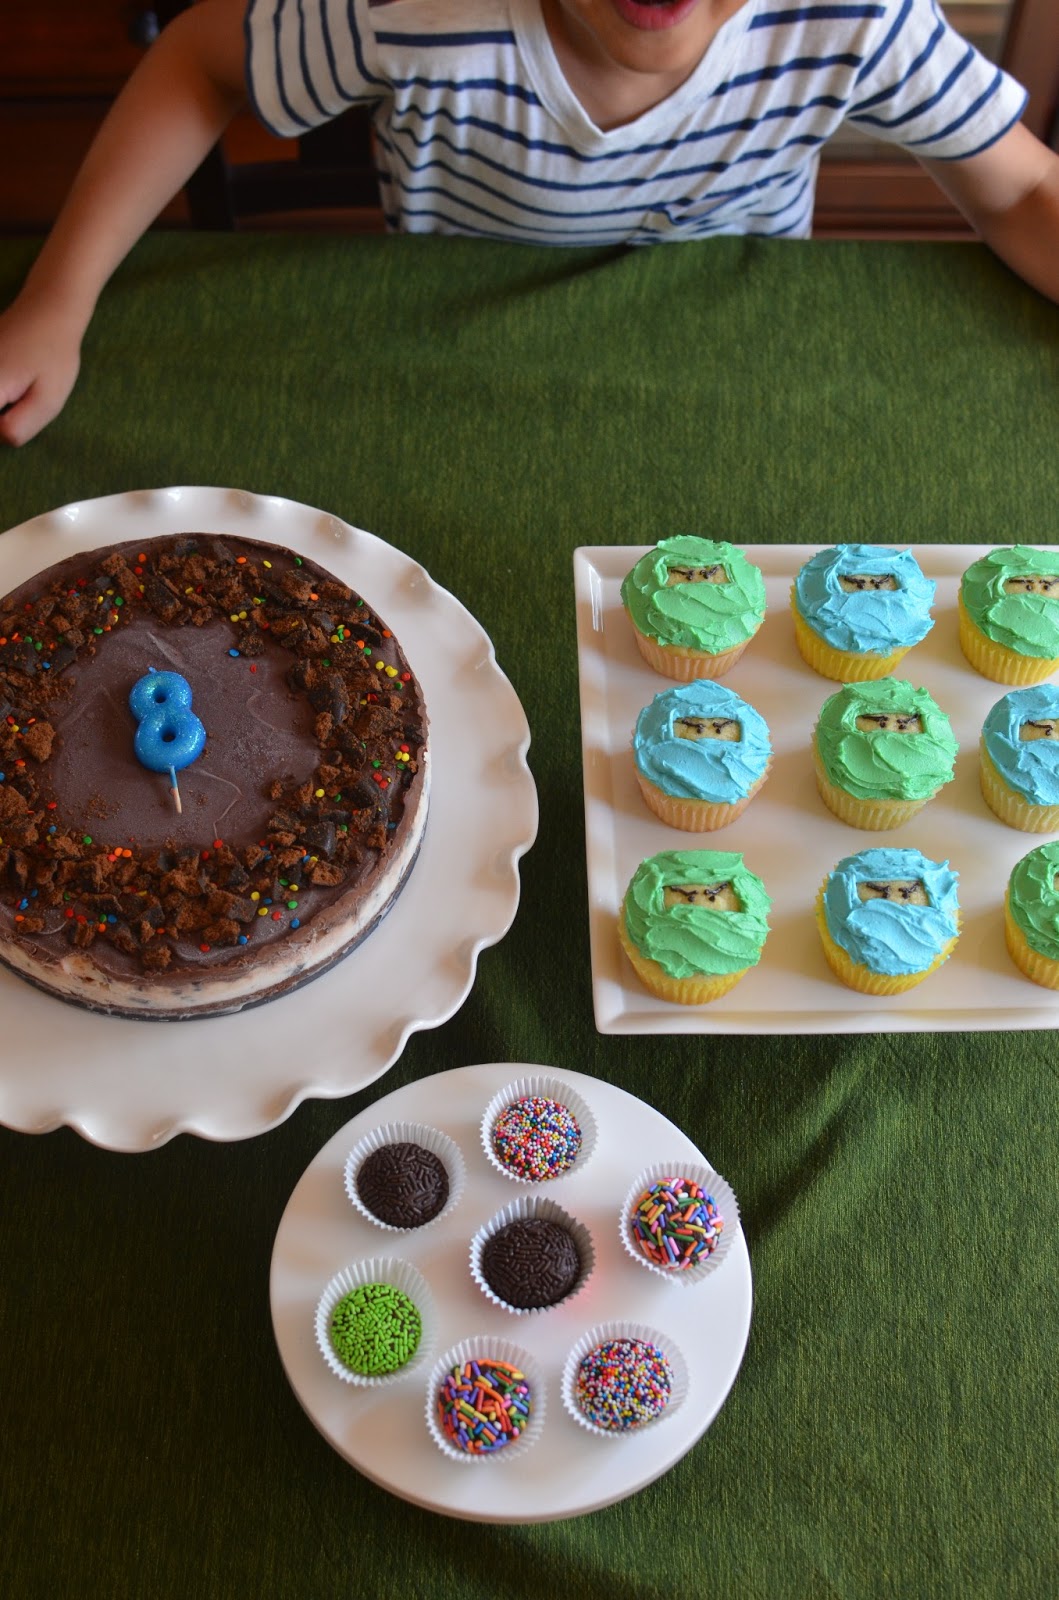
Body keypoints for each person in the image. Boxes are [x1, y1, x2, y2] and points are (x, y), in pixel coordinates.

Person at [1, 0, 1057, 447]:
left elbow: (1019, 191)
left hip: (734, 363)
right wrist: (58, 297)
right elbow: (202, 57)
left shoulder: (860, 15)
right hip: (457, 355)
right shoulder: (408, 12)